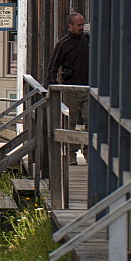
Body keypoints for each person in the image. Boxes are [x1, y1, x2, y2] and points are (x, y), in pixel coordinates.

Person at [46, 11, 90, 164]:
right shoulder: (63, 44)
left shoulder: (88, 40)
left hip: (89, 88)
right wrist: (53, 87)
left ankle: (88, 150)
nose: (82, 27)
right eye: (79, 25)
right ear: (70, 26)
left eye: (83, 24)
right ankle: (71, 153)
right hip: (71, 88)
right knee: (71, 122)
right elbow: (52, 67)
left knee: (90, 120)